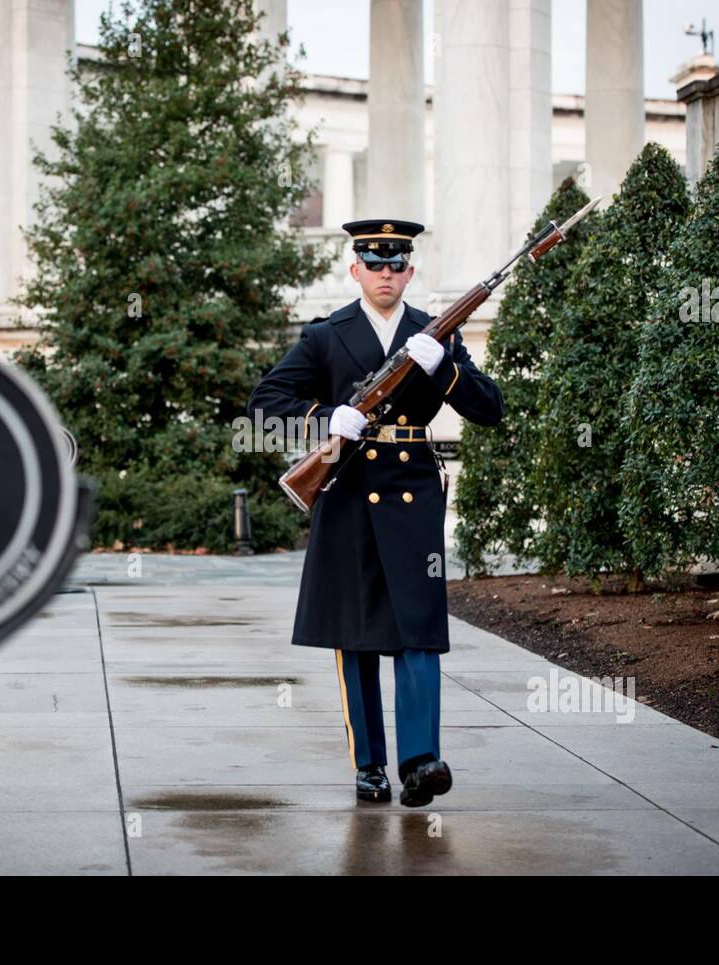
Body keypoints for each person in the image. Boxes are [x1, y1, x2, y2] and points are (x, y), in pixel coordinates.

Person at [246, 218, 504, 806]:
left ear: (411, 272)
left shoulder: (436, 335)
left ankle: (420, 760)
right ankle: (369, 765)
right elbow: (264, 403)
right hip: (347, 494)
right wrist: (324, 417)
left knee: (419, 629)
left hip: (412, 492)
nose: (386, 273)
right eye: (375, 263)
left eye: (397, 264)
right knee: (356, 636)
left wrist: (446, 367)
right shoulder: (325, 335)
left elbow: (491, 408)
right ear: (354, 269)